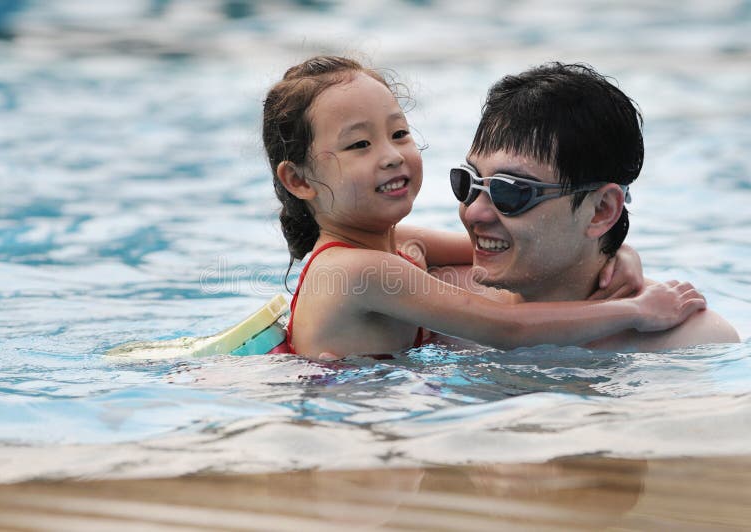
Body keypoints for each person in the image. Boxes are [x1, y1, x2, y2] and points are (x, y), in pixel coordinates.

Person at [263, 55, 705, 359]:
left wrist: (615, 252)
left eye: (399, 134)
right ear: (299, 180)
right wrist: (636, 311)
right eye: (360, 144)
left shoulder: (393, 246)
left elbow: (503, 247)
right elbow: (509, 328)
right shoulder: (360, 270)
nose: (392, 155)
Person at [447, 62, 738, 350]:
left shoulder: (687, 342)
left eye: (510, 191)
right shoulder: (439, 302)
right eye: (467, 182)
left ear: (602, 210)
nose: (474, 212)